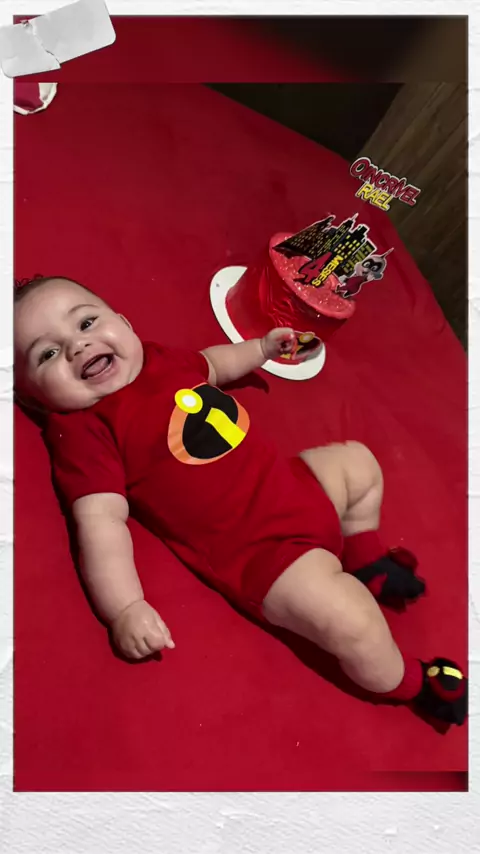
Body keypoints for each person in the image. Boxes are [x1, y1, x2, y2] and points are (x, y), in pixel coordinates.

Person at [14, 275, 467, 726]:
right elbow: (100, 524)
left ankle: (366, 558)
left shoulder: (158, 359)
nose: (77, 346)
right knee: (352, 624)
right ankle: (412, 683)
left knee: (359, 464)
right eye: (47, 354)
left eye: (86, 322)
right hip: (267, 557)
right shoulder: (84, 431)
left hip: (297, 486)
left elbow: (212, 364)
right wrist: (124, 608)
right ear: (34, 400)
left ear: (124, 323)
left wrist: (262, 350)